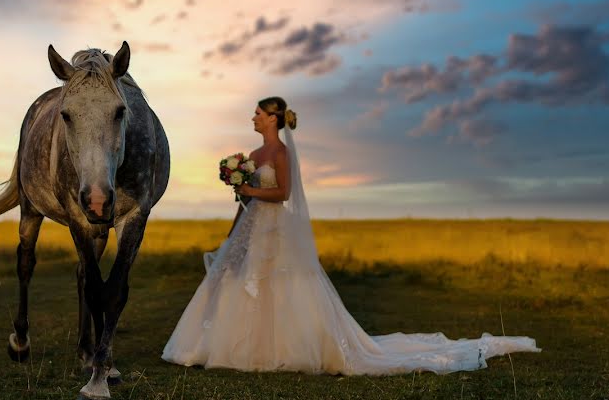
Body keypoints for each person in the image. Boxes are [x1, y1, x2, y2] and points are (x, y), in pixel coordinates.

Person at [161, 96, 540, 375]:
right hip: (250, 226)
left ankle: (275, 349)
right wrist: (234, 228)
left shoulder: (279, 154)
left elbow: (284, 194)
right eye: (255, 114)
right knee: (234, 279)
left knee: (277, 284)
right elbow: (243, 201)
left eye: (258, 113)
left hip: (274, 229)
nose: (253, 117)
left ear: (274, 118)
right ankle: (224, 347)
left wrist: (251, 192)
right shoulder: (253, 154)